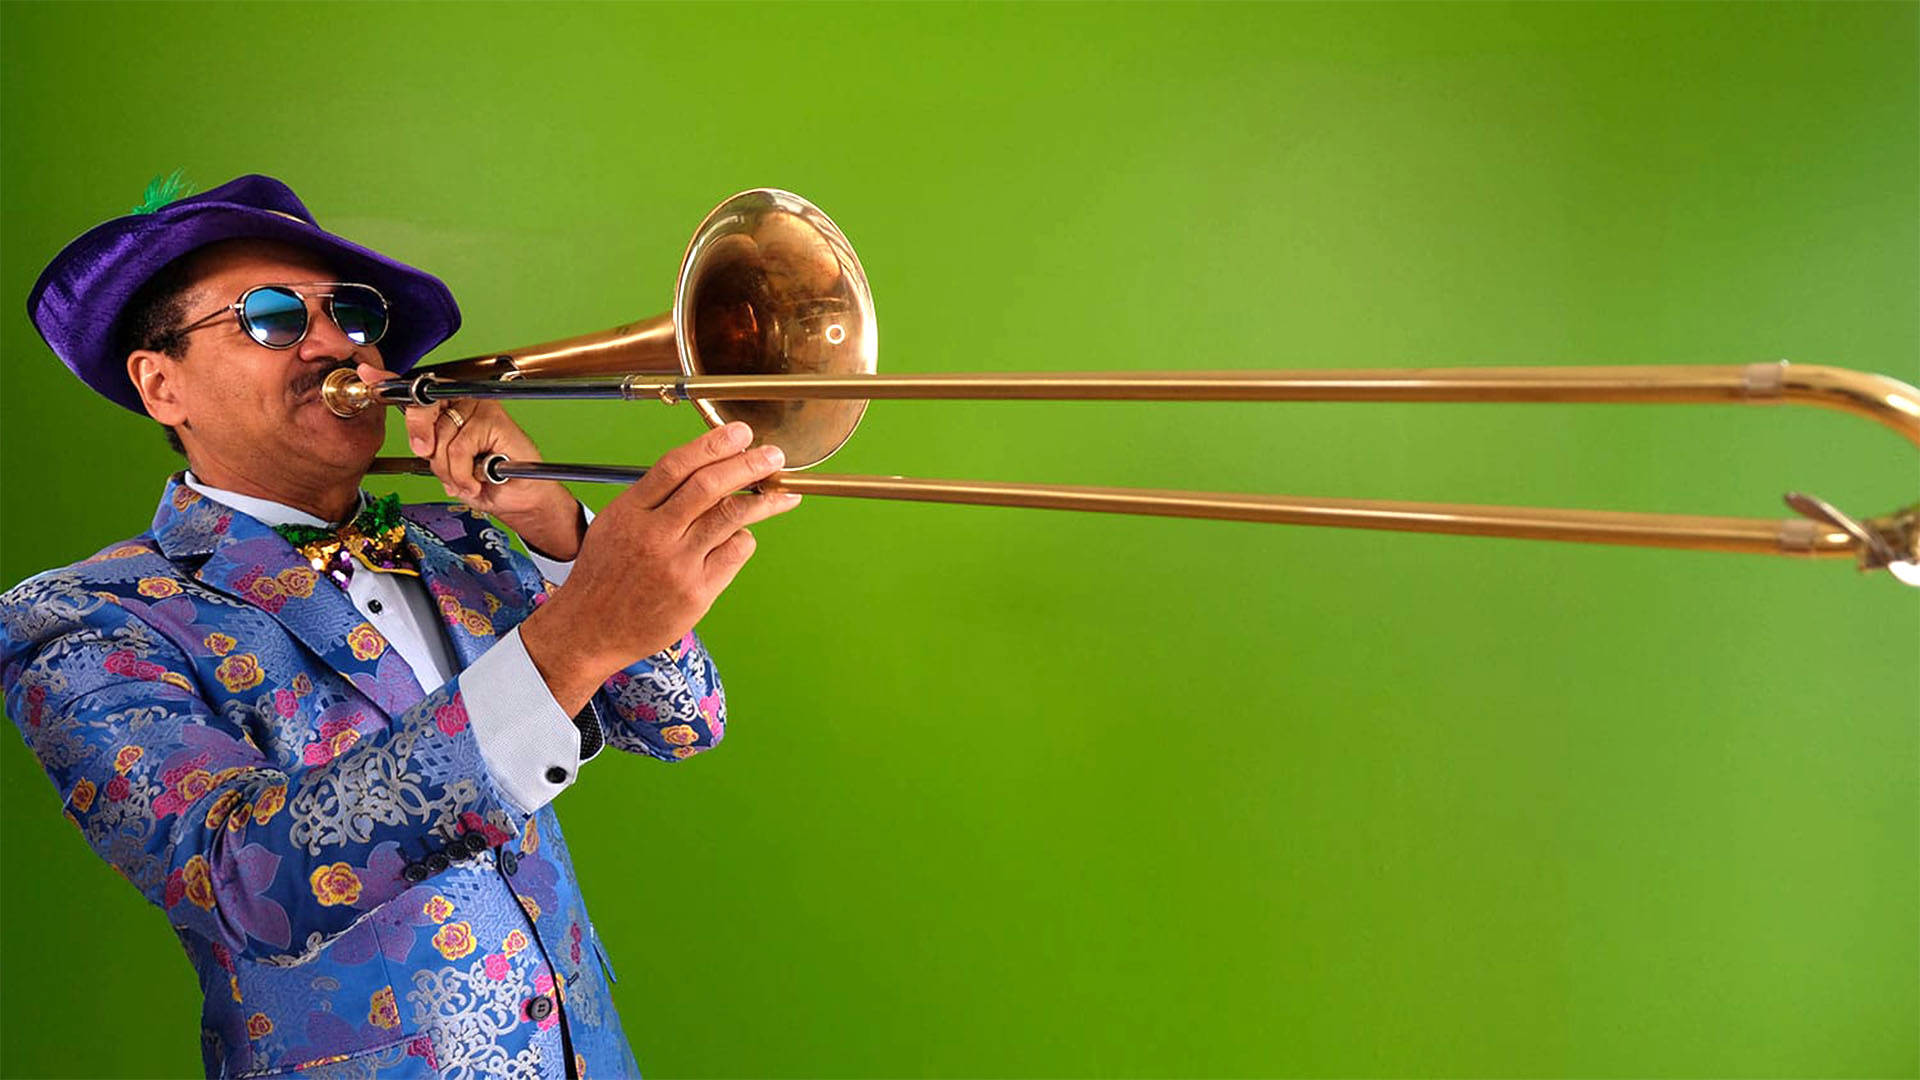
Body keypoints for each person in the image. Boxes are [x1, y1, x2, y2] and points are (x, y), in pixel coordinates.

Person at [3, 174, 800, 1078]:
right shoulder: (85, 618)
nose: (337, 344)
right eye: (270, 316)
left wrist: (552, 527)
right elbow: (239, 878)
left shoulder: (465, 541)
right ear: (161, 385)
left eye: (352, 312)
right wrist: (572, 637)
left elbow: (682, 724)